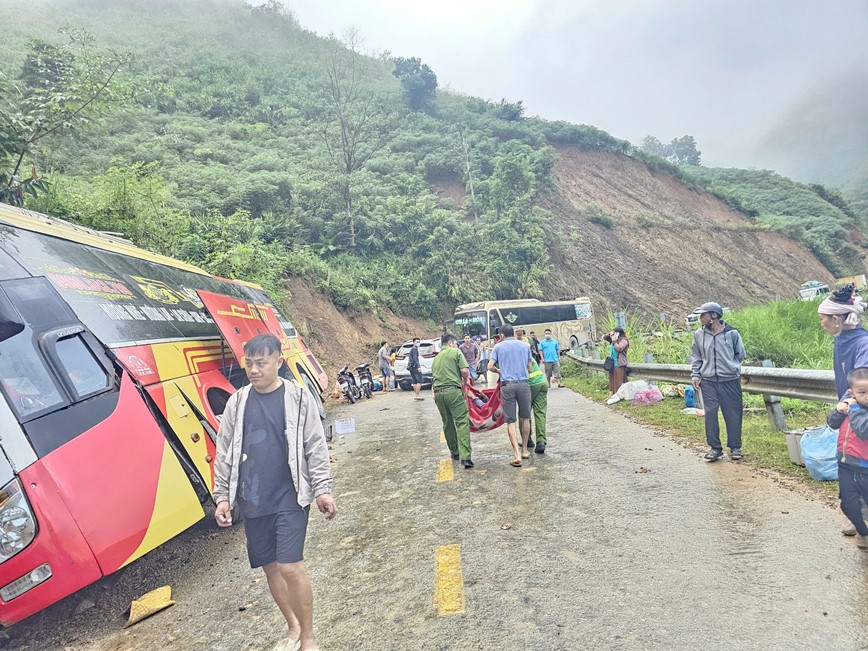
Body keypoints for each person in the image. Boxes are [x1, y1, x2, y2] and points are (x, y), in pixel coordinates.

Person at [213, 334, 336, 651]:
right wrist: (223, 497)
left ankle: (308, 637)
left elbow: (315, 446)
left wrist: (322, 489)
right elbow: (224, 451)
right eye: (249, 363)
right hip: (252, 497)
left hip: (290, 495)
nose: (253, 369)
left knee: (290, 566)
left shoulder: (297, 398)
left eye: (261, 362)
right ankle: (292, 627)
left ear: (278, 362)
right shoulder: (237, 403)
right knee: (270, 566)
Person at [818, 284, 868, 536]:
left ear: (836, 319)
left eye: (823, 318)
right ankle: (859, 520)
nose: (822, 323)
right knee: (849, 466)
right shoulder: (842, 339)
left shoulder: (862, 343)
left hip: (862, 412)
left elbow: (861, 386)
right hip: (849, 408)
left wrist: (849, 405)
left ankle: (864, 527)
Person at [690, 301, 746, 462]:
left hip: (730, 380)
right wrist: (695, 375)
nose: (700, 318)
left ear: (713, 315)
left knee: (733, 413)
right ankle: (715, 448)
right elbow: (696, 356)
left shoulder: (732, 333)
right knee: (711, 413)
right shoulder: (699, 335)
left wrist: (730, 367)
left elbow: (739, 354)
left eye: (703, 314)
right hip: (708, 381)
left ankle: (735, 447)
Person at [826, 366, 868, 549]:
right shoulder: (850, 404)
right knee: (848, 505)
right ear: (851, 392)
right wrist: (838, 410)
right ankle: (863, 531)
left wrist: (854, 408)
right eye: (862, 392)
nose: (867, 395)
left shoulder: (857, 408)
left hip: (865, 468)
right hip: (845, 464)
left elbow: (864, 430)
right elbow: (832, 423)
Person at [488, 324, 534, 467]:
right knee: (525, 418)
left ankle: (516, 454)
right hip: (524, 384)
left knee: (511, 421)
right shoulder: (525, 346)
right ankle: (525, 450)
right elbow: (530, 367)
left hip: (507, 385)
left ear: (501, 335)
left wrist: (499, 371)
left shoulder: (498, 347)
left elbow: (489, 366)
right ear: (513, 333)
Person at [432, 333, 474, 469]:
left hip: (438, 393)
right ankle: (466, 457)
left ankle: (455, 453)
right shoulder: (455, 351)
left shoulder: (436, 358)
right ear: (451, 343)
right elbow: (465, 370)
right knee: (462, 422)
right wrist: (465, 381)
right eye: (455, 343)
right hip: (453, 391)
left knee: (447, 422)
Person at [528, 358, 548, 454]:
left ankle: (527, 440)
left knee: (525, 414)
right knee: (540, 413)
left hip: (530, 384)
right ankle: (541, 441)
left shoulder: (516, 355)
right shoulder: (527, 352)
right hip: (542, 382)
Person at [602, 327, 629, 397]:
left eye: (615, 333)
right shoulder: (613, 339)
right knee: (612, 380)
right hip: (612, 364)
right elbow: (604, 337)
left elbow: (619, 348)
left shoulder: (624, 340)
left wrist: (614, 341)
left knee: (618, 381)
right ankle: (612, 395)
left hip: (619, 363)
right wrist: (610, 334)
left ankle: (618, 396)